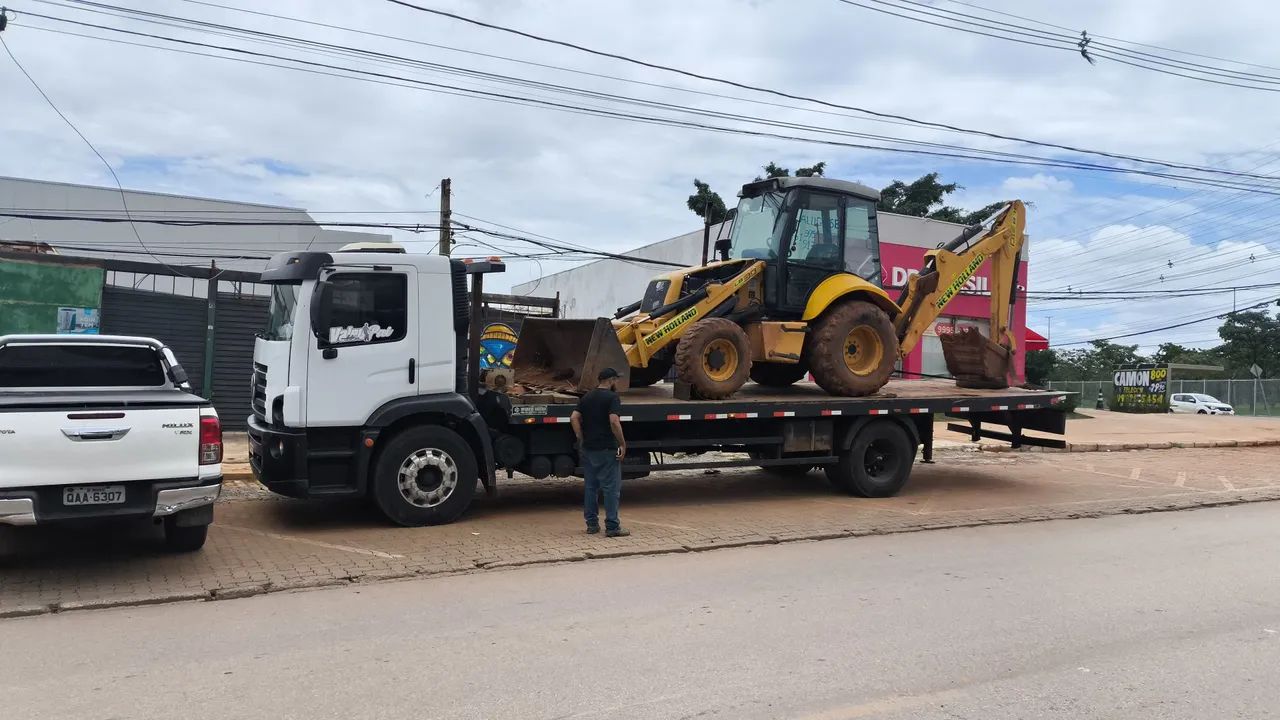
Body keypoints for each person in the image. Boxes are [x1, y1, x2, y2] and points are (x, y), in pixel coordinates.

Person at [570, 367, 630, 537]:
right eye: (616, 380)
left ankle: (592, 525)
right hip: (607, 448)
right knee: (611, 489)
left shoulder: (587, 396)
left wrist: (580, 437)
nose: (616, 382)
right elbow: (614, 421)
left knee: (591, 487)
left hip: (589, 448)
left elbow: (574, 417)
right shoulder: (612, 398)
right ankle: (612, 527)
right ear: (611, 380)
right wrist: (622, 443)